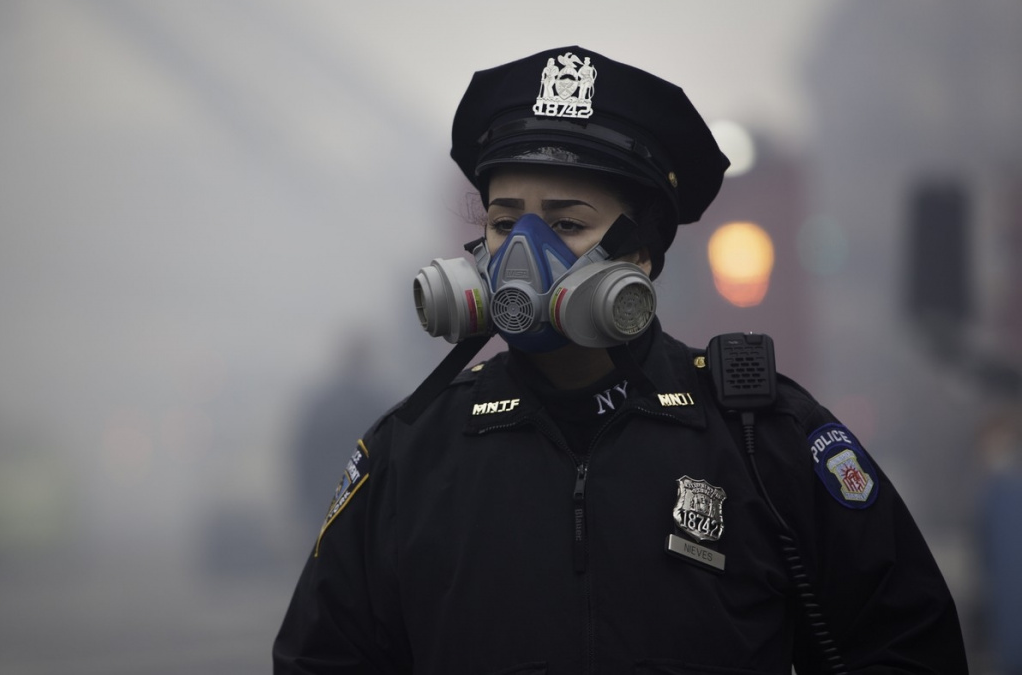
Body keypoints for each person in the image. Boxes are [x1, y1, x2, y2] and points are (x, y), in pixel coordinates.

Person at [273, 46, 967, 674]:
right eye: (505, 222)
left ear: (639, 256)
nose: (523, 257)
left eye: (567, 224)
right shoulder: (411, 455)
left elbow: (906, 643)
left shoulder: (762, 440)